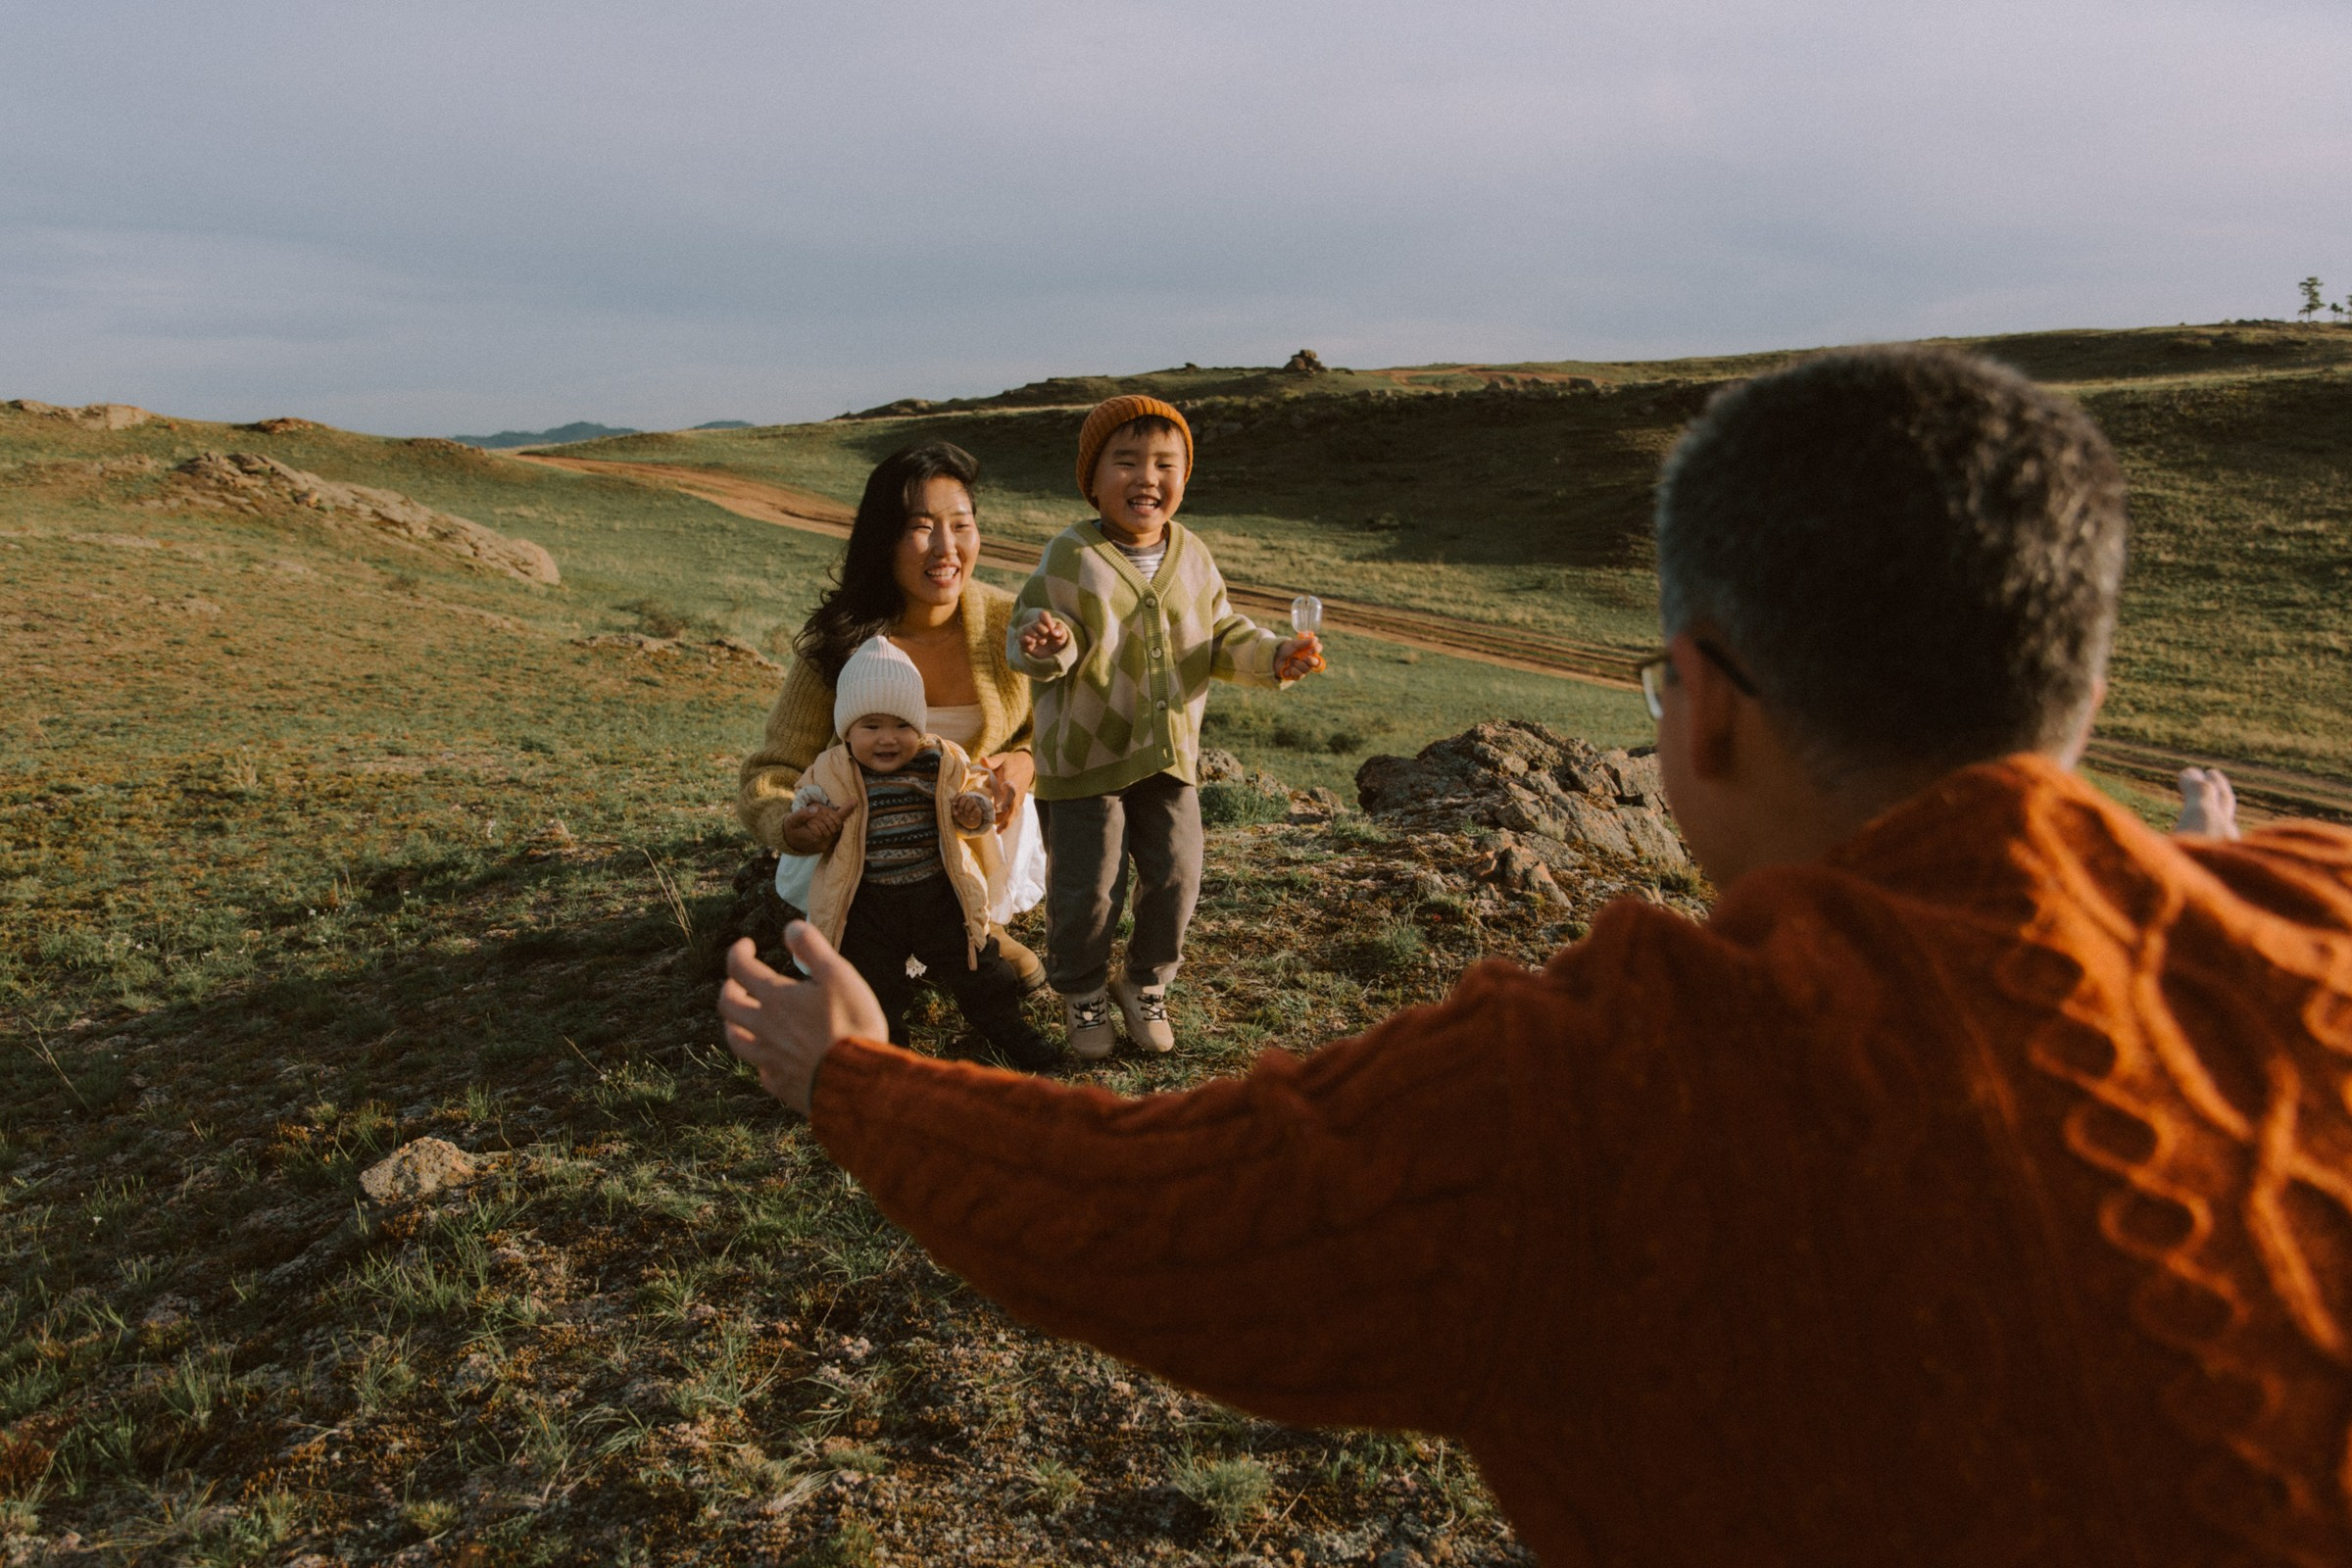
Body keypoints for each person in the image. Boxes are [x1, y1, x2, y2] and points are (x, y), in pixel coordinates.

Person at [719, 348, 2352, 1566]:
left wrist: (856, 1078)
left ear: (1701, 705)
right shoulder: (2319, 919)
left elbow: (1143, 1215)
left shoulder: (1597, 1090)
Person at [1005, 395, 1324, 1055]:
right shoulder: (1070, 556)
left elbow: (1221, 634)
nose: (1146, 478)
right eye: (1125, 462)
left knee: (1179, 874)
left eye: (1165, 464)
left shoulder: (1194, 555)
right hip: (1085, 763)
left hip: (1168, 757)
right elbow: (1035, 632)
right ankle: (1083, 993)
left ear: (1184, 478)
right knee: (1088, 890)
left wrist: (1274, 656)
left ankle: (1144, 984)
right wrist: (1045, 644)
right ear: (1092, 480)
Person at [739, 442, 1046, 989]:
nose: (946, 548)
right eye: (921, 527)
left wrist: (1026, 763)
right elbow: (773, 770)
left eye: (961, 525)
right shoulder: (841, 642)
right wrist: (791, 824)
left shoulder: (1009, 624)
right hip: (867, 843)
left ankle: (979, 928)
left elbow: (1061, 730)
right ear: (883, 536)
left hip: (975, 835)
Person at [785, 635, 1055, 1071]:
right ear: (847, 729)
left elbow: (973, 802)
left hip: (938, 893)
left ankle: (1008, 1030)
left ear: (920, 726)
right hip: (868, 903)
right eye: (870, 726)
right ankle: (890, 1055)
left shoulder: (940, 760)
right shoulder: (831, 769)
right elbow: (805, 803)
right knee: (873, 983)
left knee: (979, 967)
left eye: (902, 725)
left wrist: (974, 811)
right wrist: (812, 817)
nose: (887, 739)